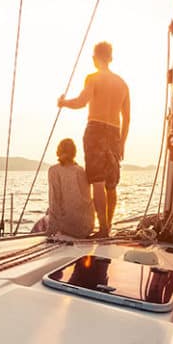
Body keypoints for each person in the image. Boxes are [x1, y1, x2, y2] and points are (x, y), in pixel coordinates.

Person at [58, 41, 130, 237]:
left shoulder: (92, 78)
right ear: (111, 57)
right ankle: (109, 225)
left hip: (96, 130)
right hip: (115, 133)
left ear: (94, 58)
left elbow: (82, 102)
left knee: (97, 181)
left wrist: (63, 102)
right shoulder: (123, 83)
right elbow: (127, 117)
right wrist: (122, 142)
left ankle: (103, 229)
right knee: (111, 184)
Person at [31, 138, 94, 238]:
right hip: (86, 227)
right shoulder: (81, 170)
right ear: (74, 152)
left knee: (43, 221)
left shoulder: (54, 170)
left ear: (58, 151)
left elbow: (54, 202)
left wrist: (51, 229)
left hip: (68, 228)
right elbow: (86, 200)